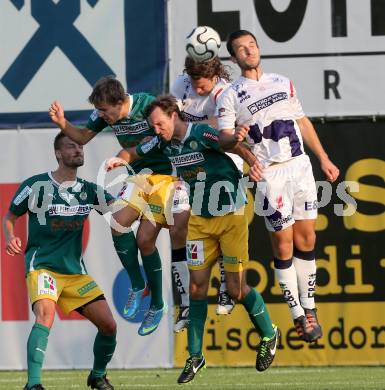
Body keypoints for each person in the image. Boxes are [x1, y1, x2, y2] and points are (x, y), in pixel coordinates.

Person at [106, 95, 279, 384]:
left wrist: (250, 159)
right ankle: (195, 356)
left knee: (236, 290)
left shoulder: (200, 133)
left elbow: (228, 143)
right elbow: (137, 150)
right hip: (200, 220)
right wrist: (119, 159)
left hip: (231, 217)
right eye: (153, 125)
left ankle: (269, 334)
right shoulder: (162, 141)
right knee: (196, 288)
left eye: (160, 124)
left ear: (174, 116)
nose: (157, 130)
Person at [217, 30, 340, 342]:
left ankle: (310, 307)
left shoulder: (282, 82)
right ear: (234, 58)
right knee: (284, 244)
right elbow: (223, 139)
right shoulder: (231, 94)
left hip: (299, 168)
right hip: (269, 176)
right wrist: (237, 138)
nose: (248, 51)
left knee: (307, 238)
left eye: (252, 45)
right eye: (241, 49)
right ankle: (296, 311)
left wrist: (324, 157)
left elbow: (302, 122)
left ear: (258, 49)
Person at [49, 76, 190, 335]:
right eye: (99, 111)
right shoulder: (105, 113)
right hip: (138, 176)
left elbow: (173, 124)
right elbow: (81, 136)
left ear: (119, 102)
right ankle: (138, 285)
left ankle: (158, 304)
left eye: (104, 110)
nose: (102, 115)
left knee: (145, 240)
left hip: (167, 177)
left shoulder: (147, 105)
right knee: (117, 224)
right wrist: (62, 123)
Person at [3, 133, 116, 390]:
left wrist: (145, 197)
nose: (78, 150)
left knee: (109, 326)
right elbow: (10, 215)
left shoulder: (89, 190)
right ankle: (33, 384)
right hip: (42, 266)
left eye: (80, 146)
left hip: (75, 272)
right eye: (71, 146)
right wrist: (10, 236)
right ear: (58, 153)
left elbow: (120, 212)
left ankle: (97, 375)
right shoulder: (35, 185)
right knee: (45, 315)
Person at [171, 55, 243, 315]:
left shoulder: (225, 91)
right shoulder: (182, 84)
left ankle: (226, 285)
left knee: (222, 220)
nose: (199, 91)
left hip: (222, 160)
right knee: (178, 225)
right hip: (188, 160)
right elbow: (171, 118)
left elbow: (224, 130)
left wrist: (188, 126)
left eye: (203, 86)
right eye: (195, 85)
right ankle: (185, 302)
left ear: (215, 77)